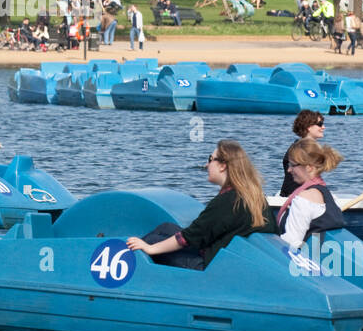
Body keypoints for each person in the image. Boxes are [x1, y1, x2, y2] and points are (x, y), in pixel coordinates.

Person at [125, 140, 270, 271]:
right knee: (166, 228)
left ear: (222, 166)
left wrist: (150, 248)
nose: (206, 165)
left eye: (210, 159)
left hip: (213, 266)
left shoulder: (226, 202)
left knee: (151, 242)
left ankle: (129, 273)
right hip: (233, 258)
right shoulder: (255, 196)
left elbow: (188, 238)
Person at [275, 138, 347, 250]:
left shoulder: (304, 199)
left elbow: (290, 243)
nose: (289, 170)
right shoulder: (327, 194)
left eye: (293, 165)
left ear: (309, 167)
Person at [281, 112, 326, 196]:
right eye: (320, 124)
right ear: (309, 127)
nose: (323, 127)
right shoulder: (300, 150)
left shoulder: (305, 148)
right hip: (293, 195)